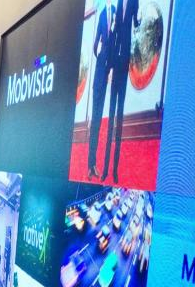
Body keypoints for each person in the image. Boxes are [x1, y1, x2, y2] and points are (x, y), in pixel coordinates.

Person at [102, 0, 140, 184]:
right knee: (110, 121)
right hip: (115, 67)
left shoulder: (134, 2)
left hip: (125, 66)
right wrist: (109, 68)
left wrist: (140, 20)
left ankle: (115, 171)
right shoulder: (118, 3)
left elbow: (136, 24)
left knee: (119, 120)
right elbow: (114, 33)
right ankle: (104, 170)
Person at [87, 0, 116, 181]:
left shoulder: (116, 11)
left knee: (99, 124)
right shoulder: (103, 14)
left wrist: (110, 67)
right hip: (99, 76)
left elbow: (116, 41)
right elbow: (95, 43)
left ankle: (94, 165)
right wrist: (101, 55)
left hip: (107, 74)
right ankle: (90, 165)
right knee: (95, 124)